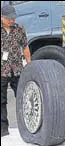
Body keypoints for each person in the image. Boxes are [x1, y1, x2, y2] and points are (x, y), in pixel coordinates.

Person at [1, 5, 31, 137]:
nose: (12, 20)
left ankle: (26, 126)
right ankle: (3, 129)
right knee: (1, 101)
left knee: (23, 98)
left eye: (13, 18)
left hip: (17, 70)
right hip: (2, 71)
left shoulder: (19, 29)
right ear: (2, 17)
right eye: (9, 18)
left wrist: (29, 65)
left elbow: (25, 47)